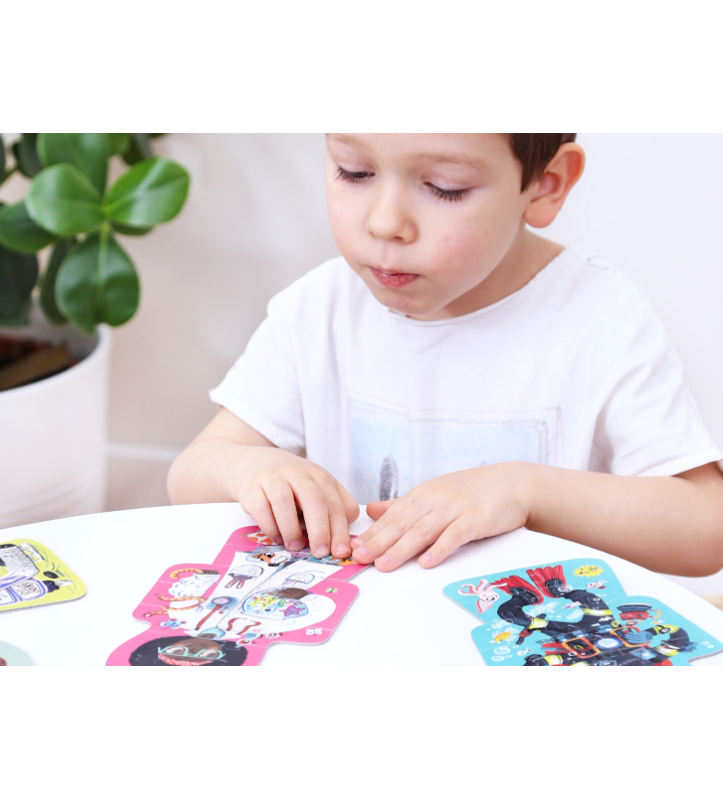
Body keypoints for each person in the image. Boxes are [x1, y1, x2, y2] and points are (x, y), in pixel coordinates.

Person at [167, 134, 723, 577]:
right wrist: (252, 469)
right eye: (354, 172)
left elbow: (706, 526)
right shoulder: (319, 309)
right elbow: (191, 474)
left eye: (445, 188)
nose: (384, 222)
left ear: (545, 185)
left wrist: (525, 489)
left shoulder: (601, 318)